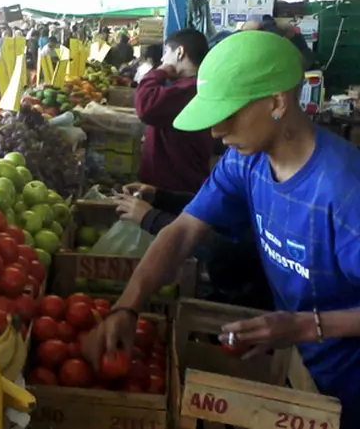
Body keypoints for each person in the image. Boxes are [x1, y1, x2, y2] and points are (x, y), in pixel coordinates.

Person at [85, 31, 360, 427]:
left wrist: (305, 324)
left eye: (228, 114)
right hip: (301, 368)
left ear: (277, 102)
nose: (215, 131)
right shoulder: (245, 162)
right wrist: (128, 306)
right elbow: (182, 232)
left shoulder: (344, 193)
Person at [114, 182, 273, 310]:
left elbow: (230, 253)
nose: (215, 139)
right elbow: (214, 205)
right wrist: (161, 197)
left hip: (260, 307)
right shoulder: (243, 162)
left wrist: (152, 218)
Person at [135, 30, 214, 194]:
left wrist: (159, 71)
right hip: (178, 183)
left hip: (174, 187)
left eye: (166, 52)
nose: (163, 59)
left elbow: (146, 106)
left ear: (180, 52)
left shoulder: (190, 89)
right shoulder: (188, 86)